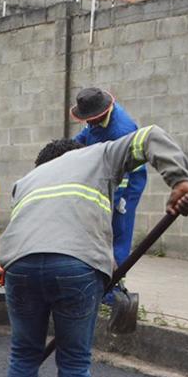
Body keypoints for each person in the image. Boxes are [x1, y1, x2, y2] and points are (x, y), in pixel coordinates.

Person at [0, 127, 188, 377]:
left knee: (24, 354)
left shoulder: (25, 180)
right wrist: (178, 180)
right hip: (76, 265)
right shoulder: (100, 154)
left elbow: (36, 230)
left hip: (20, 265)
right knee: (73, 361)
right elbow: (149, 136)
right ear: (77, 151)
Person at [70, 87, 144, 303]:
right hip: (105, 177)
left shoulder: (121, 130)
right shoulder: (96, 120)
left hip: (126, 184)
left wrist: (115, 201)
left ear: (103, 113)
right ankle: (96, 281)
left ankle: (111, 290)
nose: (88, 122)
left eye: (91, 119)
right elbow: (85, 136)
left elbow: (125, 171)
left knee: (117, 232)